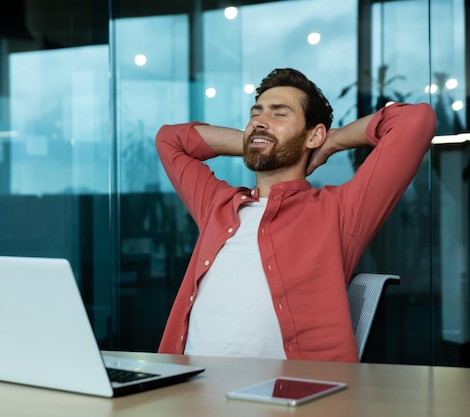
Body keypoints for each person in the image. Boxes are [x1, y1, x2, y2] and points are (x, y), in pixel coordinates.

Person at [155, 68, 437, 362]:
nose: (260, 121)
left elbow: (415, 121)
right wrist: (257, 139)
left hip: (289, 396)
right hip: (191, 390)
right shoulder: (217, 204)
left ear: (314, 135)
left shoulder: (339, 211)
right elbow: (169, 140)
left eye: (279, 114)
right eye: (256, 114)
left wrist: (333, 141)